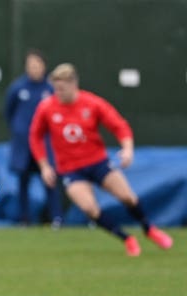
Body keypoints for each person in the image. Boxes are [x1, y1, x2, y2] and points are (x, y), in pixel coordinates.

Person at [29, 63, 173, 256]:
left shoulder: (92, 103)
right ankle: (127, 238)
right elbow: (35, 136)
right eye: (55, 88)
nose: (58, 93)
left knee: (127, 197)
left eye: (62, 88)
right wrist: (45, 166)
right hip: (70, 169)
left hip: (97, 162)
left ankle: (149, 229)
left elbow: (119, 125)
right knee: (89, 208)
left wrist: (127, 149)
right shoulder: (47, 107)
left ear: (74, 84)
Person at [4, 49, 63, 228]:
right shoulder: (18, 87)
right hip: (23, 145)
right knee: (23, 181)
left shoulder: (50, 89)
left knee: (50, 180)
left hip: (45, 145)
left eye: (37, 65)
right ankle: (25, 219)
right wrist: (19, 129)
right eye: (30, 65)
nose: (34, 68)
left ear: (44, 67)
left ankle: (56, 218)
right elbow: (9, 111)